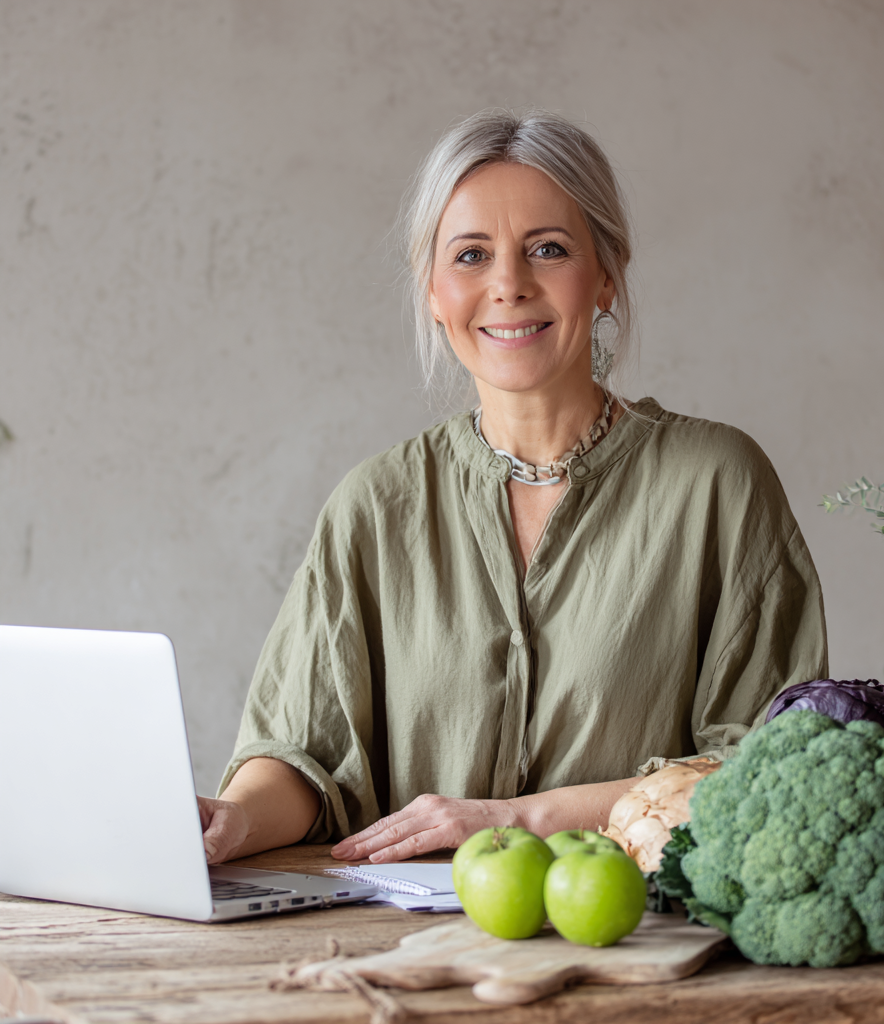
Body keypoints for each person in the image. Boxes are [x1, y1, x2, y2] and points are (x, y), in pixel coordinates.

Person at [198, 109, 828, 866]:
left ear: (605, 275)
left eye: (548, 249)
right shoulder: (372, 505)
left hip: (641, 945)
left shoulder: (719, 483)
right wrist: (233, 817)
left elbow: (763, 767)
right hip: (403, 948)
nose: (508, 285)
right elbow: (302, 753)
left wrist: (516, 818)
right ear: (432, 291)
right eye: (470, 255)